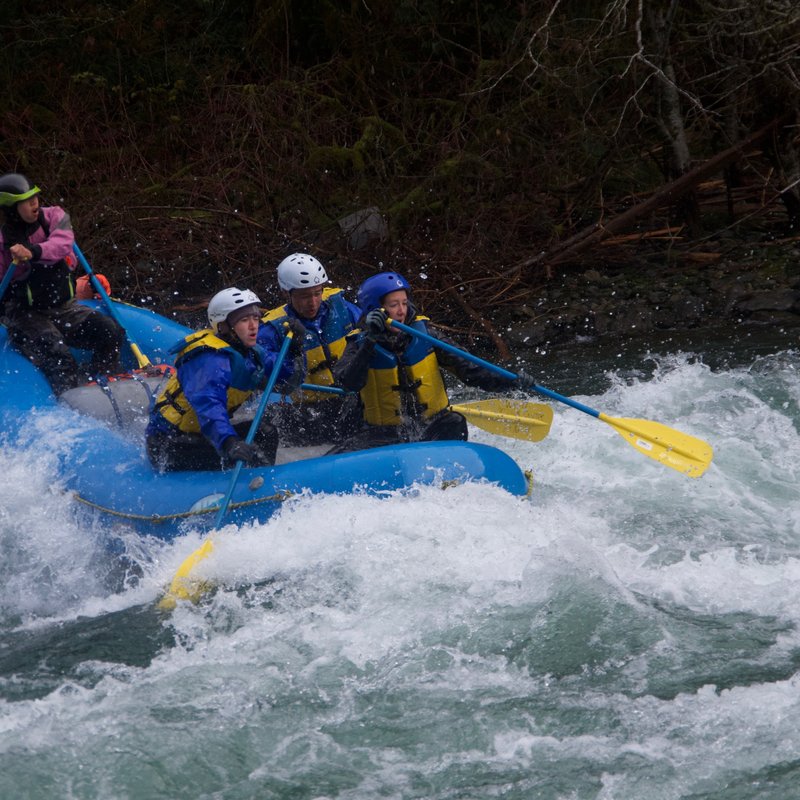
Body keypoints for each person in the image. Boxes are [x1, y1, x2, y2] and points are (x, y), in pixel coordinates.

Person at [329, 271, 533, 453]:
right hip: (383, 434)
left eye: (404, 303)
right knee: (348, 448)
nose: (401, 311)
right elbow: (347, 383)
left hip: (432, 427)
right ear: (376, 310)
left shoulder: (427, 336)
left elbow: (471, 370)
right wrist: (370, 343)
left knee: (454, 421)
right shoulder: (359, 344)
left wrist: (511, 380)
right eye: (393, 305)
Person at [146, 287, 306, 472]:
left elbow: (289, 378)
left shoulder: (250, 352)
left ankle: (260, 482)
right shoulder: (210, 359)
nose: (253, 326)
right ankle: (242, 488)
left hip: (201, 436)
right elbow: (209, 405)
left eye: (255, 318)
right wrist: (229, 442)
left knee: (265, 433)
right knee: (247, 450)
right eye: (244, 320)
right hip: (170, 444)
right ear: (223, 326)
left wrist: (295, 349)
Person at [0, 173, 124, 395]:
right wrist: (15, 260)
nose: (34, 203)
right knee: (59, 357)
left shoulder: (55, 218)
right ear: (11, 209)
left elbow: (62, 245)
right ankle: (70, 399)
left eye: (34, 197)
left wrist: (33, 252)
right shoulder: (3, 244)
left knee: (110, 332)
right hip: (26, 317)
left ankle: (102, 383)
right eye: (25, 201)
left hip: (65, 308)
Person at [258, 252, 362, 446]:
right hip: (310, 412)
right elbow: (268, 377)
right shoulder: (272, 330)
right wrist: (294, 350)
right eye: (304, 296)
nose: (313, 302)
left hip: (351, 402)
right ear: (286, 293)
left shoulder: (342, 309)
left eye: (317, 293)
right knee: (269, 421)